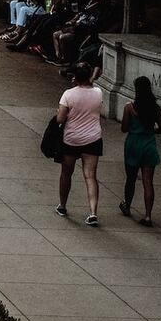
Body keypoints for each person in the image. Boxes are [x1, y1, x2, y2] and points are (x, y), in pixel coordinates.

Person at [55, 63, 104, 226]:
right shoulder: (98, 93)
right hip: (93, 138)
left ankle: (62, 205)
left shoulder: (68, 95)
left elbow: (60, 119)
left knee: (66, 173)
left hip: (71, 139)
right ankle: (93, 212)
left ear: (75, 77)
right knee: (90, 176)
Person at [119, 75, 161, 226]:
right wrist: (151, 131)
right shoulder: (155, 108)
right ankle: (148, 216)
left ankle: (127, 205)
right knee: (148, 182)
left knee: (130, 179)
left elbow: (124, 128)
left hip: (133, 144)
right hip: (149, 145)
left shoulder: (129, 107)